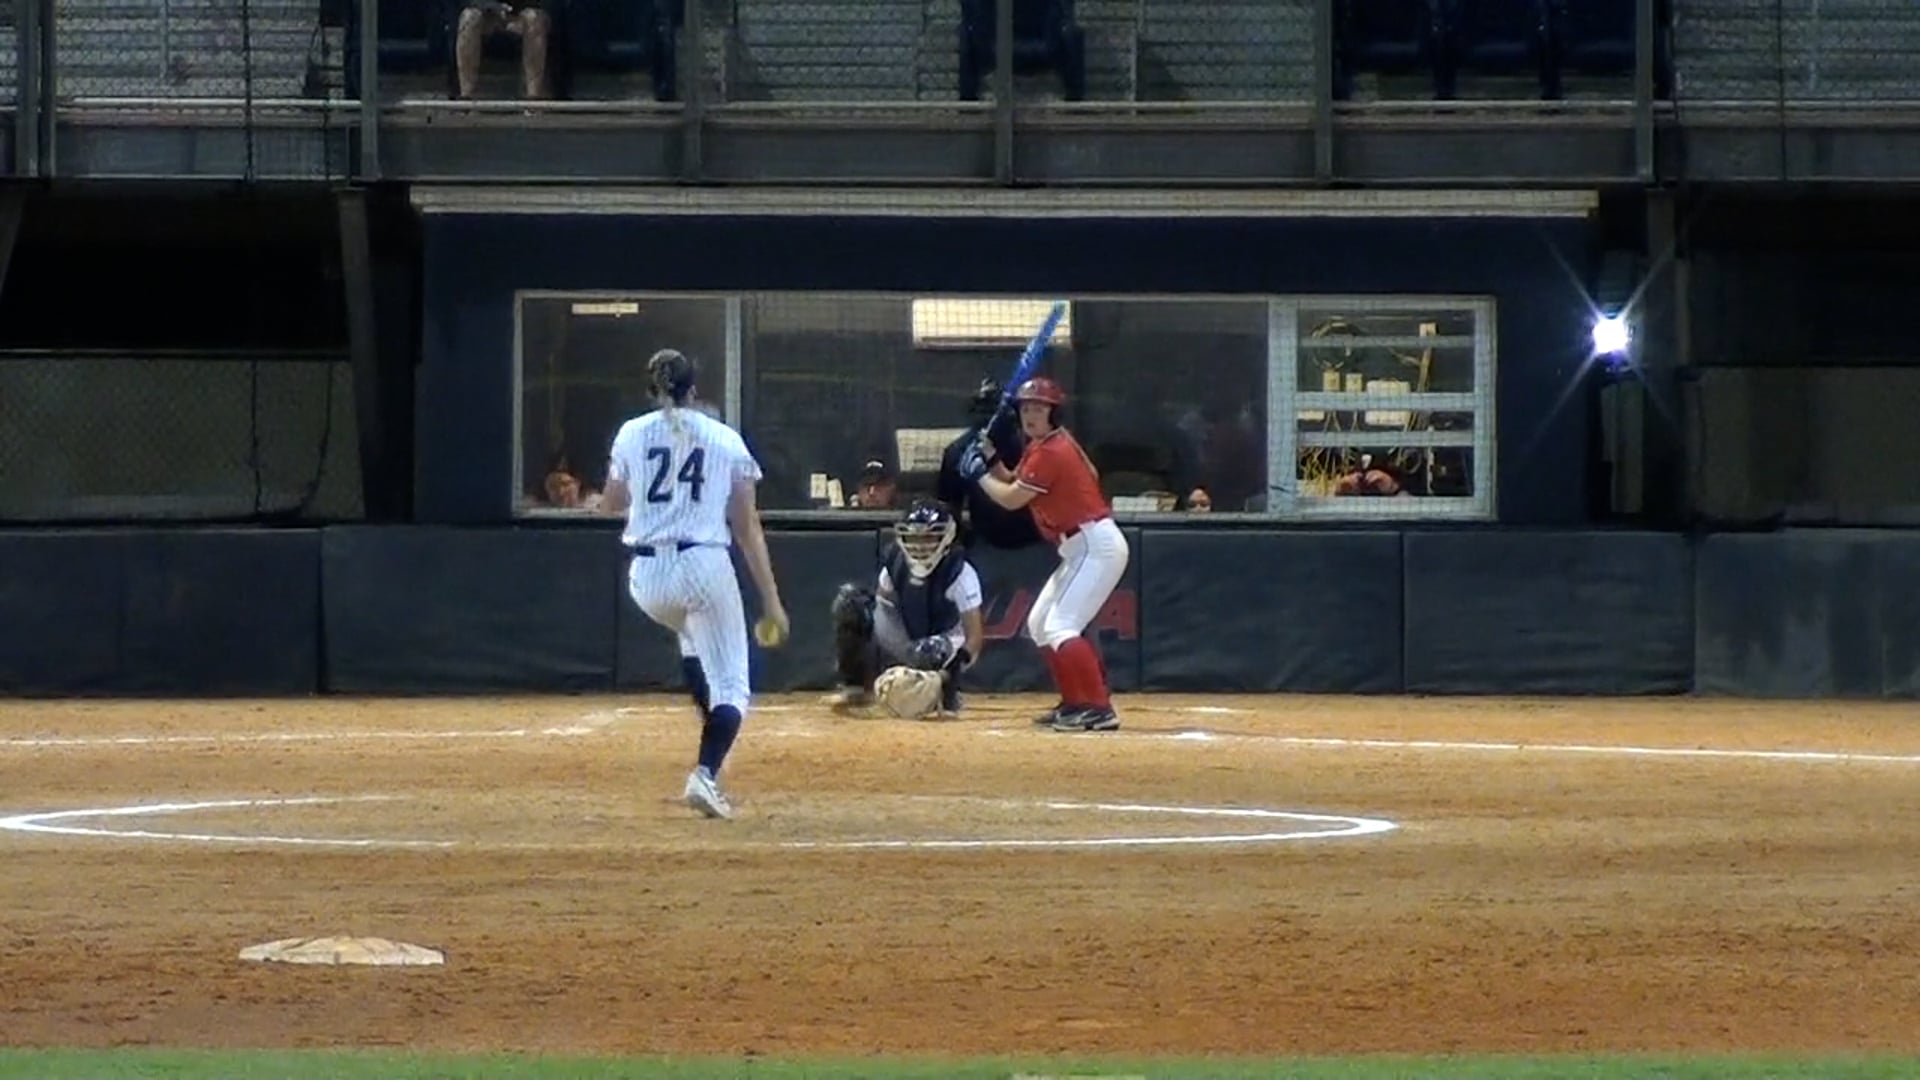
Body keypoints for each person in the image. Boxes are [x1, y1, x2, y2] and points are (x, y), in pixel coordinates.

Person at [599, 348, 788, 820]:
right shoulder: (724, 438)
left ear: (651, 391)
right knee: (734, 688)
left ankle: (712, 756)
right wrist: (771, 600)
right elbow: (745, 527)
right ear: (694, 390)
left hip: (646, 578)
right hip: (702, 564)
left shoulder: (630, 433)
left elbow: (611, 503)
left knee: (692, 639)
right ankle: (705, 773)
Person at [958, 376, 1127, 732]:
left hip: (1094, 544)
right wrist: (990, 459)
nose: (1031, 415)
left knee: (1061, 625)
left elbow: (1011, 499)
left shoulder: (1052, 451)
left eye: (1039, 409)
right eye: (1026, 409)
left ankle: (1099, 707)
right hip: (1079, 547)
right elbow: (1012, 480)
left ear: (1054, 413)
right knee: (1039, 624)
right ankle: (1075, 702)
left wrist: (978, 477)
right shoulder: (1043, 446)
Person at [825, 500, 985, 718]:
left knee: (929, 651)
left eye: (928, 538)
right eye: (914, 538)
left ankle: (944, 697)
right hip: (905, 632)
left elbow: (974, 638)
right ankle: (855, 688)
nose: (920, 546)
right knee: (850, 602)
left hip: (945, 639)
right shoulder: (895, 562)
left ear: (946, 537)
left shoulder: (959, 572)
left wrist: (951, 671)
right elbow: (883, 607)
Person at [936, 377, 1042, 551]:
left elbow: (1012, 494)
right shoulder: (959, 451)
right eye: (982, 411)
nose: (989, 418)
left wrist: (981, 474)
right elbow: (948, 506)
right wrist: (962, 541)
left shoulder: (1034, 448)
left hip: (1037, 543)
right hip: (985, 544)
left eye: (994, 412)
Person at [455, 0, 552, 101]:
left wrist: (511, 12)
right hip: (486, 12)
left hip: (521, 12)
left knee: (534, 19)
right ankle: (466, 96)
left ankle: (533, 98)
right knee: (469, 18)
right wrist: (494, 8)